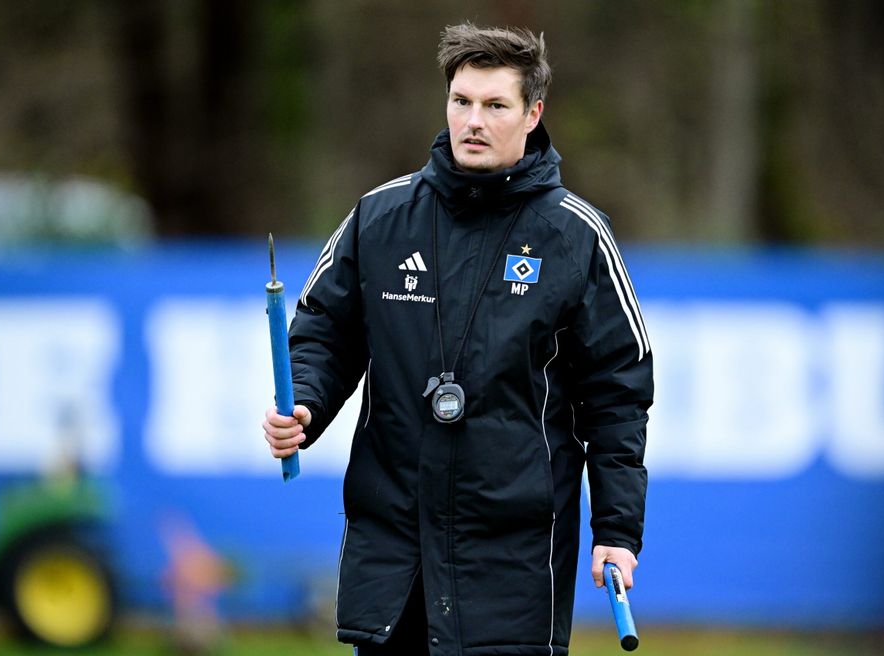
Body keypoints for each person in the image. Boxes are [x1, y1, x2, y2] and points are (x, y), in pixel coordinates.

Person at [263, 22, 654, 655]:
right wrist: (305, 401)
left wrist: (616, 529)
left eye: (495, 105)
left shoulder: (577, 235)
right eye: (461, 101)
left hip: (513, 559)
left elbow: (618, 396)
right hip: (395, 551)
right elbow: (322, 336)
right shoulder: (379, 217)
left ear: (533, 114)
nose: (473, 120)